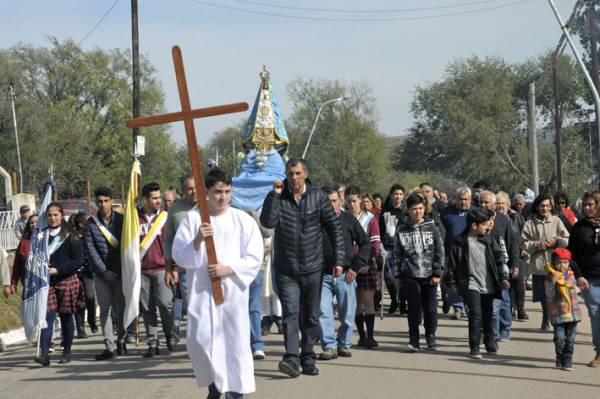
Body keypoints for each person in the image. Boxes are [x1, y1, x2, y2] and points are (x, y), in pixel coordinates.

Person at [172, 168, 263, 398]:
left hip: (232, 297)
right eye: (217, 192)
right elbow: (179, 255)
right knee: (201, 341)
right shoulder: (194, 220)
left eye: (227, 192)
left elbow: (254, 256)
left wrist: (229, 269)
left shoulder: (242, 220)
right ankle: (215, 387)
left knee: (233, 347)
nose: (222, 197)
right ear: (206, 192)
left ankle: (233, 393)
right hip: (203, 295)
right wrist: (198, 239)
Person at [260, 158, 344, 378]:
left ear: (306, 174)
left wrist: (338, 260)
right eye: (290, 174)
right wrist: (276, 195)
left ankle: (308, 356)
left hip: (313, 267)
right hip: (286, 268)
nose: (293, 178)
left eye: (297, 173)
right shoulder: (277, 197)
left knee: (311, 316)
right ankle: (291, 358)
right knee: (290, 313)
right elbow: (268, 223)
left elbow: (334, 229)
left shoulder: (317, 197)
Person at [446, 208, 509, 359]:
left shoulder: (489, 239)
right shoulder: (460, 241)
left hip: (489, 283)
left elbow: (499, 259)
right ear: (474, 226)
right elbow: (451, 264)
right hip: (471, 283)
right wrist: (452, 282)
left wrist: (504, 277)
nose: (489, 227)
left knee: (488, 315)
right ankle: (474, 347)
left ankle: (489, 342)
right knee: (475, 315)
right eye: (485, 224)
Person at [319, 187, 370, 360]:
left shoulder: (348, 220)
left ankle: (344, 344)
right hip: (321, 275)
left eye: (333, 201)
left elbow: (365, 244)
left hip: (346, 275)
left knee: (347, 314)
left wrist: (356, 267)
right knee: (323, 312)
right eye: (326, 201)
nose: (330, 204)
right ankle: (328, 345)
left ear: (340, 202)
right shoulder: (316, 221)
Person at [35, 202, 85, 366]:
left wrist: (59, 269)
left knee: (65, 316)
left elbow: (78, 260)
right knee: (47, 316)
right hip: (46, 282)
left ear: (61, 216)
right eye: (49, 215)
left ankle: (67, 351)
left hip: (65, 280)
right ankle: (44, 353)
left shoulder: (71, 235)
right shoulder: (41, 236)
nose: (52, 218)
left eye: (55, 215)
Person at [395, 193, 444, 352]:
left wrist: (437, 272)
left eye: (421, 208)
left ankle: (430, 336)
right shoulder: (402, 230)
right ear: (408, 210)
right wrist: (397, 275)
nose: (418, 212)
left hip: (430, 275)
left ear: (425, 209)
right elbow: (397, 254)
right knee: (414, 308)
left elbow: (439, 251)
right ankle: (414, 339)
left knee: (430, 308)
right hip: (410, 274)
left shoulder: (432, 228)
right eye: (414, 209)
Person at [84, 186, 125, 360]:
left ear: (112, 201)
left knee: (121, 307)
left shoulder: (122, 221)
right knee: (106, 309)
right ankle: (109, 345)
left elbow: (125, 246)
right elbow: (91, 250)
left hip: (119, 272)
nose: (103, 204)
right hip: (101, 274)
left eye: (106, 201)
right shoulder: (91, 224)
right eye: (99, 201)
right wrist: (104, 271)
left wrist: (115, 270)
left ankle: (122, 339)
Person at [522, 193, 569, 330]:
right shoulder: (529, 224)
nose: (545, 208)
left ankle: (557, 317)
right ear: (536, 206)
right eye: (542, 206)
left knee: (557, 292)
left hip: (556, 265)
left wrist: (557, 241)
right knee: (543, 295)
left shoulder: (556, 221)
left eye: (547, 206)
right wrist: (538, 245)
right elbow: (523, 243)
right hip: (539, 265)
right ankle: (545, 315)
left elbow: (566, 238)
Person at [138, 182, 175, 357]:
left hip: (162, 268)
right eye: (154, 198)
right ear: (145, 199)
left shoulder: (166, 217)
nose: (158, 201)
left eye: (159, 197)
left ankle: (169, 333)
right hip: (142, 269)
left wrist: (173, 268)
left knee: (165, 304)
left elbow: (172, 244)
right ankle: (152, 342)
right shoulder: (135, 219)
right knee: (147, 308)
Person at [479, 191, 520, 341]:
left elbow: (513, 243)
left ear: (494, 204)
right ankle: (489, 331)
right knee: (487, 302)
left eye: (486, 202)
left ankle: (505, 329)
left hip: (501, 265)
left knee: (503, 300)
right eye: (481, 202)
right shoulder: (476, 220)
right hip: (482, 266)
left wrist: (515, 263)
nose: (483, 205)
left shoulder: (503, 220)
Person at [164, 173, 198, 347]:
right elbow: (168, 239)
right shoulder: (175, 210)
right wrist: (169, 267)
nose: (194, 191)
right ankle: (194, 342)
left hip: (207, 267)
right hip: (184, 268)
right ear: (183, 191)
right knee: (192, 306)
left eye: (196, 187)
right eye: (189, 189)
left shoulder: (209, 207)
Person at [568, 190, 600, 367]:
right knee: (596, 316)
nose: (587, 208)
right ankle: (599, 353)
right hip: (590, 280)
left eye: (590, 205)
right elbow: (572, 257)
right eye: (584, 205)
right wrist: (579, 276)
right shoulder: (579, 227)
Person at [346, 186, 381, 348]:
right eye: (349, 201)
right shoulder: (344, 218)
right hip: (349, 266)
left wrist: (365, 263)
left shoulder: (370, 219)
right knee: (356, 302)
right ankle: (361, 336)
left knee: (368, 301)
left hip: (366, 264)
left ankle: (371, 336)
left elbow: (375, 244)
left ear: (360, 200)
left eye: (354, 201)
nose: (352, 204)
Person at [545, 248, 581, 371]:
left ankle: (568, 360)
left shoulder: (571, 275)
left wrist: (578, 287)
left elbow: (577, 291)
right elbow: (549, 294)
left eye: (565, 262)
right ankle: (559, 356)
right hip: (558, 314)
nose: (562, 265)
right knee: (560, 338)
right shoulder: (550, 277)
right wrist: (553, 282)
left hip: (572, 314)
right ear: (553, 264)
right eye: (559, 262)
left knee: (570, 340)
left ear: (569, 263)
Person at [441, 186, 473, 318]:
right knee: (452, 279)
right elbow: (442, 232)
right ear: (456, 199)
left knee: (468, 280)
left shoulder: (475, 212)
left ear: (470, 200)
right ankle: (457, 307)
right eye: (460, 199)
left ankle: (468, 305)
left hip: (470, 252)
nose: (463, 202)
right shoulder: (446, 213)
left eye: (465, 199)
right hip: (451, 252)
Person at [496, 191, 527, 321]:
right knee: (505, 282)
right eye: (498, 203)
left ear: (508, 204)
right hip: (500, 255)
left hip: (516, 252)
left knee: (518, 281)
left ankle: (520, 309)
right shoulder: (492, 218)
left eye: (503, 203)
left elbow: (522, 233)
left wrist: (523, 247)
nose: (500, 206)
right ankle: (509, 309)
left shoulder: (516, 216)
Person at [379, 184, 407, 315]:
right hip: (388, 246)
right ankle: (394, 299)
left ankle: (402, 302)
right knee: (389, 276)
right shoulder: (385, 211)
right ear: (391, 195)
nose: (398, 196)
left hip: (403, 248)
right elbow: (380, 229)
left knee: (402, 277)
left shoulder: (406, 212)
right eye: (396, 194)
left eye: (400, 194)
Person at [69, 212, 97, 338]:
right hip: (74, 273)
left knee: (90, 297)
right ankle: (80, 326)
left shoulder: (89, 236)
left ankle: (92, 320)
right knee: (77, 301)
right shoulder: (71, 237)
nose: (90, 224)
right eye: (87, 221)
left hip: (87, 273)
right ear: (81, 224)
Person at [9, 214, 38, 295]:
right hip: (28, 285)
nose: (34, 224)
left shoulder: (48, 241)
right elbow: (17, 265)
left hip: (45, 286)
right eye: (31, 223)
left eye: (37, 222)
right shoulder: (23, 242)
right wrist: (13, 283)